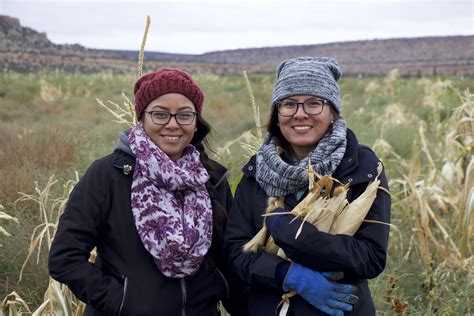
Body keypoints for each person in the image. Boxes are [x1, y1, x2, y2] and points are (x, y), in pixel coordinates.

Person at [49, 68, 241, 315]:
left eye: (184, 115)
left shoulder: (210, 178)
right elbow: (64, 257)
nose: (173, 124)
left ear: (196, 122)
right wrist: (121, 301)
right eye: (160, 114)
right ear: (142, 118)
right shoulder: (109, 175)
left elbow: (227, 259)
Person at [224, 57, 391, 315]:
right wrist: (286, 273)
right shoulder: (256, 172)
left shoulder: (361, 167)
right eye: (289, 104)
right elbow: (236, 253)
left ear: (332, 111)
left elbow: (370, 258)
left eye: (314, 103)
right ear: (277, 114)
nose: (300, 114)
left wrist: (293, 234)